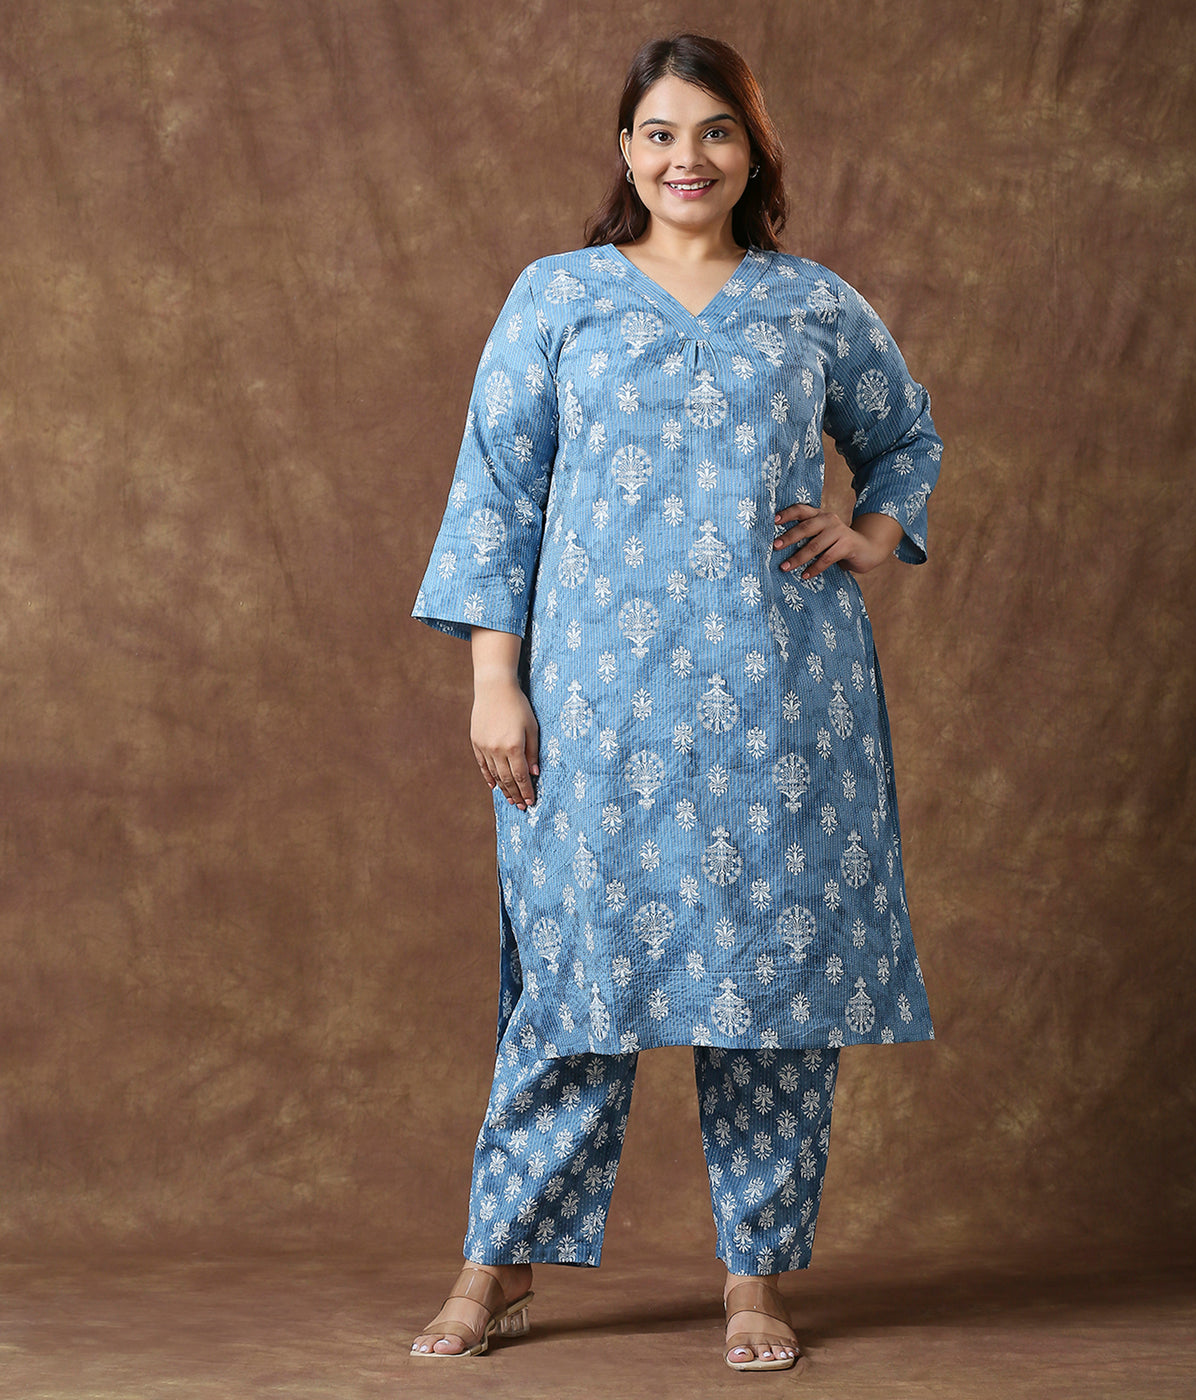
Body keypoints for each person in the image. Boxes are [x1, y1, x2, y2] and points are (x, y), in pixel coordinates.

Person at [407, 31, 943, 1372]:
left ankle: (756, 1280)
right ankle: (499, 1262)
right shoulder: (559, 297)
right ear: (625, 149)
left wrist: (871, 533)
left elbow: (905, 435)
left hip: (783, 710)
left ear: (753, 151)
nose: (684, 158)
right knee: (573, 979)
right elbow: (497, 496)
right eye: (658, 132)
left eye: (714, 131)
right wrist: (494, 683)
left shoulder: (809, 305)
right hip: (596, 714)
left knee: (771, 994)